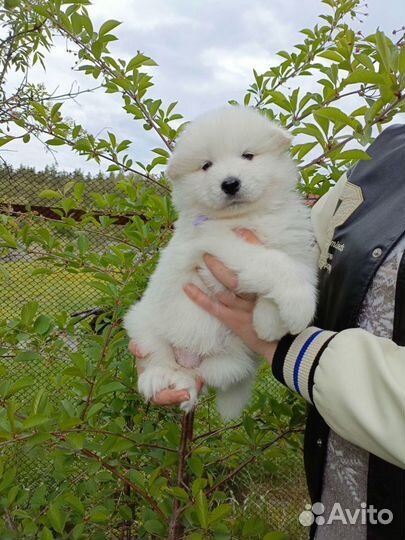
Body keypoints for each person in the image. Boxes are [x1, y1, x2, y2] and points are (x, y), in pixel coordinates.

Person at [129, 124, 405, 540]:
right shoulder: (388, 149)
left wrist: (282, 321)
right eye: (205, 165)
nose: (228, 175)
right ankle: (175, 370)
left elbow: (284, 288)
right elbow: (312, 250)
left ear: (276, 152)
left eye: (247, 155)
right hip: (339, 483)